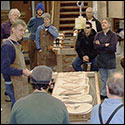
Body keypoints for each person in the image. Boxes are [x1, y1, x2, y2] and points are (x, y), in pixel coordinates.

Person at [1, 19, 31, 109]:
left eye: (24, 31)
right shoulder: (8, 46)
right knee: (17, 109)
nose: (23, 33)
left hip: (19, 82)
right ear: (13, 30)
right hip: (13, 84)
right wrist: (22, 71)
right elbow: (4, 68)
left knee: (19, 108)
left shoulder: (16, 44)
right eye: (21, 30)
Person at [94, 18, 118, 100]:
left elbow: (112, 48)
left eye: (105, 23)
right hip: (101, 60)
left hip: (110, 60)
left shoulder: (113, 35)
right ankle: (103, 93)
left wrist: (101, 45)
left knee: (111, 79)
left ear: (109, 25)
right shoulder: (98, 35)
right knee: (103, 79)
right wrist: (105, 45)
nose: (103, 24)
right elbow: (96, 47)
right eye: (102, 23)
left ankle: (111, 94)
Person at [1, 9, 21, 102]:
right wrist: (3, 40)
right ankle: (8, 91)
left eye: (17, 16)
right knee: (7, 69)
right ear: (9, 16)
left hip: (16, 50)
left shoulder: (18, 26)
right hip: (6, 49)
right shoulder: (3, 26)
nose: (16, 17)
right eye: (14, 15)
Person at [27, 2, 45, 70]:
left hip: (40, 40)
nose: (39, 12)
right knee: (31, 56)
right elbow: (28, 26)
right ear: (36, 11)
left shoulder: (44, 20)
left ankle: (37, 72)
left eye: (41, 10)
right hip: (32, 39)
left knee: (37, 58)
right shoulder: (33, 20)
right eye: (38, 10)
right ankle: (31, 71)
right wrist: (31, 31)